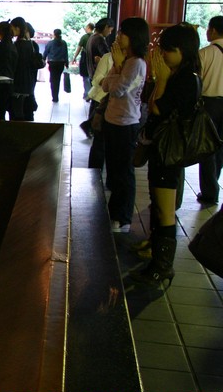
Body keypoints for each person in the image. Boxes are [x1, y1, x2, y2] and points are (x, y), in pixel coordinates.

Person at [131, 23, 202, 288]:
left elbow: (158, 108)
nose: (163, 56)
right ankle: (156, 262)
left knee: (166, 211)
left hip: (169, 154)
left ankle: (162, 267)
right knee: (160, 207)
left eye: (168, 51)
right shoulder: (180, 74)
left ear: (182, 50)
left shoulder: (184, 78)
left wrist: (161, 79)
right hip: (164, 152)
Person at [100, 17, 149, 233]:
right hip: (112, 120)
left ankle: (123, 218)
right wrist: (116, 72)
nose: (118, 37)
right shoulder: (124, 61)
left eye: (122, 33)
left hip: (126, 123)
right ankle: (114, 213)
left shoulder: (136, 63)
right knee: (113, 171)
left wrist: (117, 68)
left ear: (134, 37)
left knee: (124, 173)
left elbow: (118, 90)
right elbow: (104, 84)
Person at [196, 16, 223, 205]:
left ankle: (209, 191)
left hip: (209, 104)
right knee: (221, 146)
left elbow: (197, 81)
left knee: (206, 147)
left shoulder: (204, 53)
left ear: (213, 31)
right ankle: (214, 182)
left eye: (208, 29)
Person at [79, 18, 115, 138]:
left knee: (95, 101)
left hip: (92, 73)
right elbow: (107, 57)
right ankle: (90, 125)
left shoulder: (91, 38)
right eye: (110, 29)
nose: (110, 33)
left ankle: (89, 125)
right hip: (99, 77)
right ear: (106, 27)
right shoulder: (99, 39)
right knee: (99, 103)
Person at [9, 17, 38, 120]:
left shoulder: (16, 45)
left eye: (12, 28)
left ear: (17, 28)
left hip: (17, 83)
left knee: (16, 114)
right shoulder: (30, 45)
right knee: (27, 112)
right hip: (28, 83)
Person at [43, 28, 69, 102]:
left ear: (54, 34)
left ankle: (55, 97)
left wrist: (43, 60)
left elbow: (45, 53)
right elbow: (65, 54)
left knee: (53, 80)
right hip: (61, 63)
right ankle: (56, 95)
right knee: (57, 79)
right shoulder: (63, 43)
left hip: (52, 63)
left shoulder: (50, 43)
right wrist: (66, 63)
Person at [72, 22, 94, 99]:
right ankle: (92, 94)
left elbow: (79, 48)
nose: (85, 28)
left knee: (85, 77)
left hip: (85, 59)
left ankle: (87, 94)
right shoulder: (96, 37)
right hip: (94, 60)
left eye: (86, 27)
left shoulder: (84, 37)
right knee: (92, 77)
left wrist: (74, 57)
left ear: (88, 27)